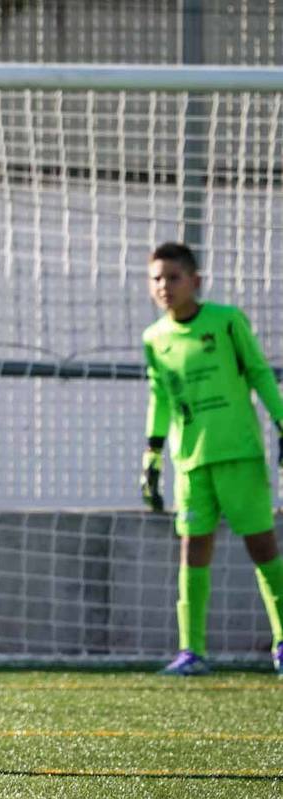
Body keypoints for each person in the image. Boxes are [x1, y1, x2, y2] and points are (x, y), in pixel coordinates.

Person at [140, 241, 283, 676]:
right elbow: (160, 398)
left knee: (261, 546)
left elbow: (259, 372)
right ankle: (191, 651)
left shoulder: (225, 322)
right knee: (193, 549)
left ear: (195, 281)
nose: (165, 286)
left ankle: (282, 641)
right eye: (157, 278)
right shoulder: (155, 338)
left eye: (174, 277)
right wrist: (153, 455)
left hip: (238, 453)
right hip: (191, 462)